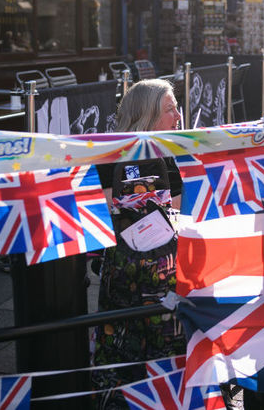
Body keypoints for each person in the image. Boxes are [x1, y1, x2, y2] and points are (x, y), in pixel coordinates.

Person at [91, 79, 185, 409]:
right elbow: (102, 215)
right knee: (121, 344)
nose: (177, 115)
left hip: (162, 271)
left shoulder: (169, 154)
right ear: (146, 114)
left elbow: (177, 212)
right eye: (169, 108)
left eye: (177, 107)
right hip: (127, 269)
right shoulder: (108, 156)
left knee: (165, 348)